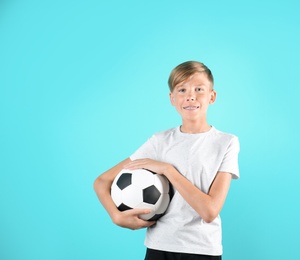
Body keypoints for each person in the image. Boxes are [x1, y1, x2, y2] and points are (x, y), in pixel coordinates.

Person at [94, 61, 240, 260]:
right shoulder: (159, 141)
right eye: (182, 90)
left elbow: (209, 211)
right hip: (158, 247)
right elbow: (102, 181)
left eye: (199, 89)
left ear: (212, 96)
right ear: (172, 98)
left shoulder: (226, 142)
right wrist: (116, 216)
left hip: (202, 250)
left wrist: (167, 170)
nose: (190, 96)